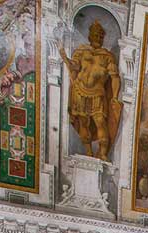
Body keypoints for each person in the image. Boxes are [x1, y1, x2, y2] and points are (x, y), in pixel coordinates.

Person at [58, 21, 121, 160]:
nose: (98, 37)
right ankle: (88, 152)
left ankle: (103, 153)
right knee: (83, 122)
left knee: (100, 122)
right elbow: (74, 67)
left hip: (97, 94)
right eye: (95, 35)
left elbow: (115, 77)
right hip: (79, 91)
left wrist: (115, 96)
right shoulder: (81, 51)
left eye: (100, 35)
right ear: (90, 36)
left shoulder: (107, 56)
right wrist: (64, 57)